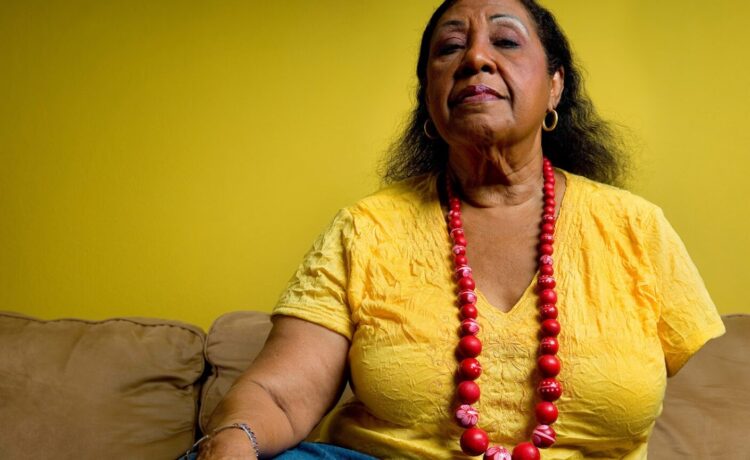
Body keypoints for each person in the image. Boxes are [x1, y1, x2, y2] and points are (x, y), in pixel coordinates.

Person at [194, 0, 725, 458]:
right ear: (429, 95)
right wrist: (234, 441)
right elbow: (279, 397)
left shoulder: (637, 228)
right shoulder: (365, 228)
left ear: (555, 86)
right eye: (450, 49)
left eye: (506, 41)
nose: (475, 59)